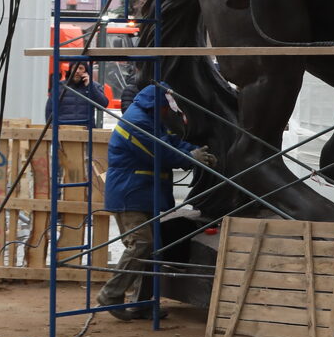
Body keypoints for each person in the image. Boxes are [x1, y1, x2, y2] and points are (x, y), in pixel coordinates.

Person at [98, 83, 212, 318]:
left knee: (153, 247)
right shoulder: (136, 121)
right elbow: (159, 152)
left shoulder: (152, 120)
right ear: (157, 105)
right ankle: (111, 294)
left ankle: (140, 303)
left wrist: (195, 151)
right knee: (141, 244)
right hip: (130, 195)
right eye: (165, 108)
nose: (167, 113)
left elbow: (172, 143)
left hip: (146, 194)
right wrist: (190, 157)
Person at [45, 61, 102, 129]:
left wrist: (90, 86)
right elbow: (49, 109)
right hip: (63, 130)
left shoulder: (94, 86)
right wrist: (51, 128)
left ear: (86, 71)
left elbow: (102, 105)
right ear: (70, 70)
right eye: (74, 68)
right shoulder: (59, 86)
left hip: (86, 131)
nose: (77, 71)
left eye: (81, 68)